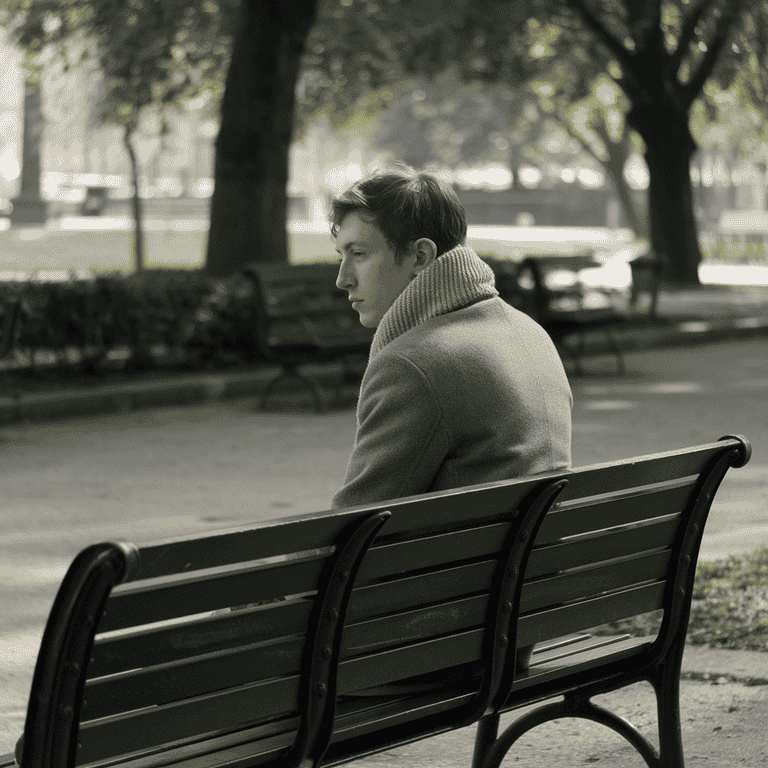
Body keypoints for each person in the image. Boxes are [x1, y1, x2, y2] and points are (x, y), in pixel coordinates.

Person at [331, 165, 572, 509]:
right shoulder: (531, 334)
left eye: (358, 254)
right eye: (341, 256)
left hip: (464, 563)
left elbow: (351, 525)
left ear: (421, 256)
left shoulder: (411, 366)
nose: (343, 279)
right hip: (534, 558)